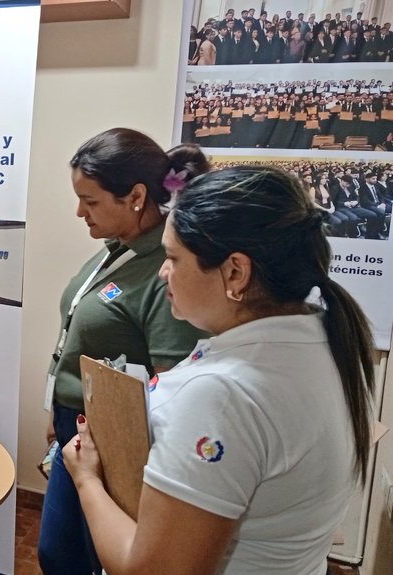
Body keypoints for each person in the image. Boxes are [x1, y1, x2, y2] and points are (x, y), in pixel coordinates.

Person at [64, 166, 374, 574]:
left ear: (235, 272)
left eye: (173, 258)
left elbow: (153, 570)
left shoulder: (221, 393)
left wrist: (87, 478)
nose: (162, 273)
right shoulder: (326, 341)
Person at [37, 128, 210, 575]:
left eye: (90, 201)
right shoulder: (117, 251)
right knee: (59, 554)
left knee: (93, 558)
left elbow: (171, 383)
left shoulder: (164, 270)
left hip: (116, 439)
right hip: (77, 426)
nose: (80, 212)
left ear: (135, 196)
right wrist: (59, 411)